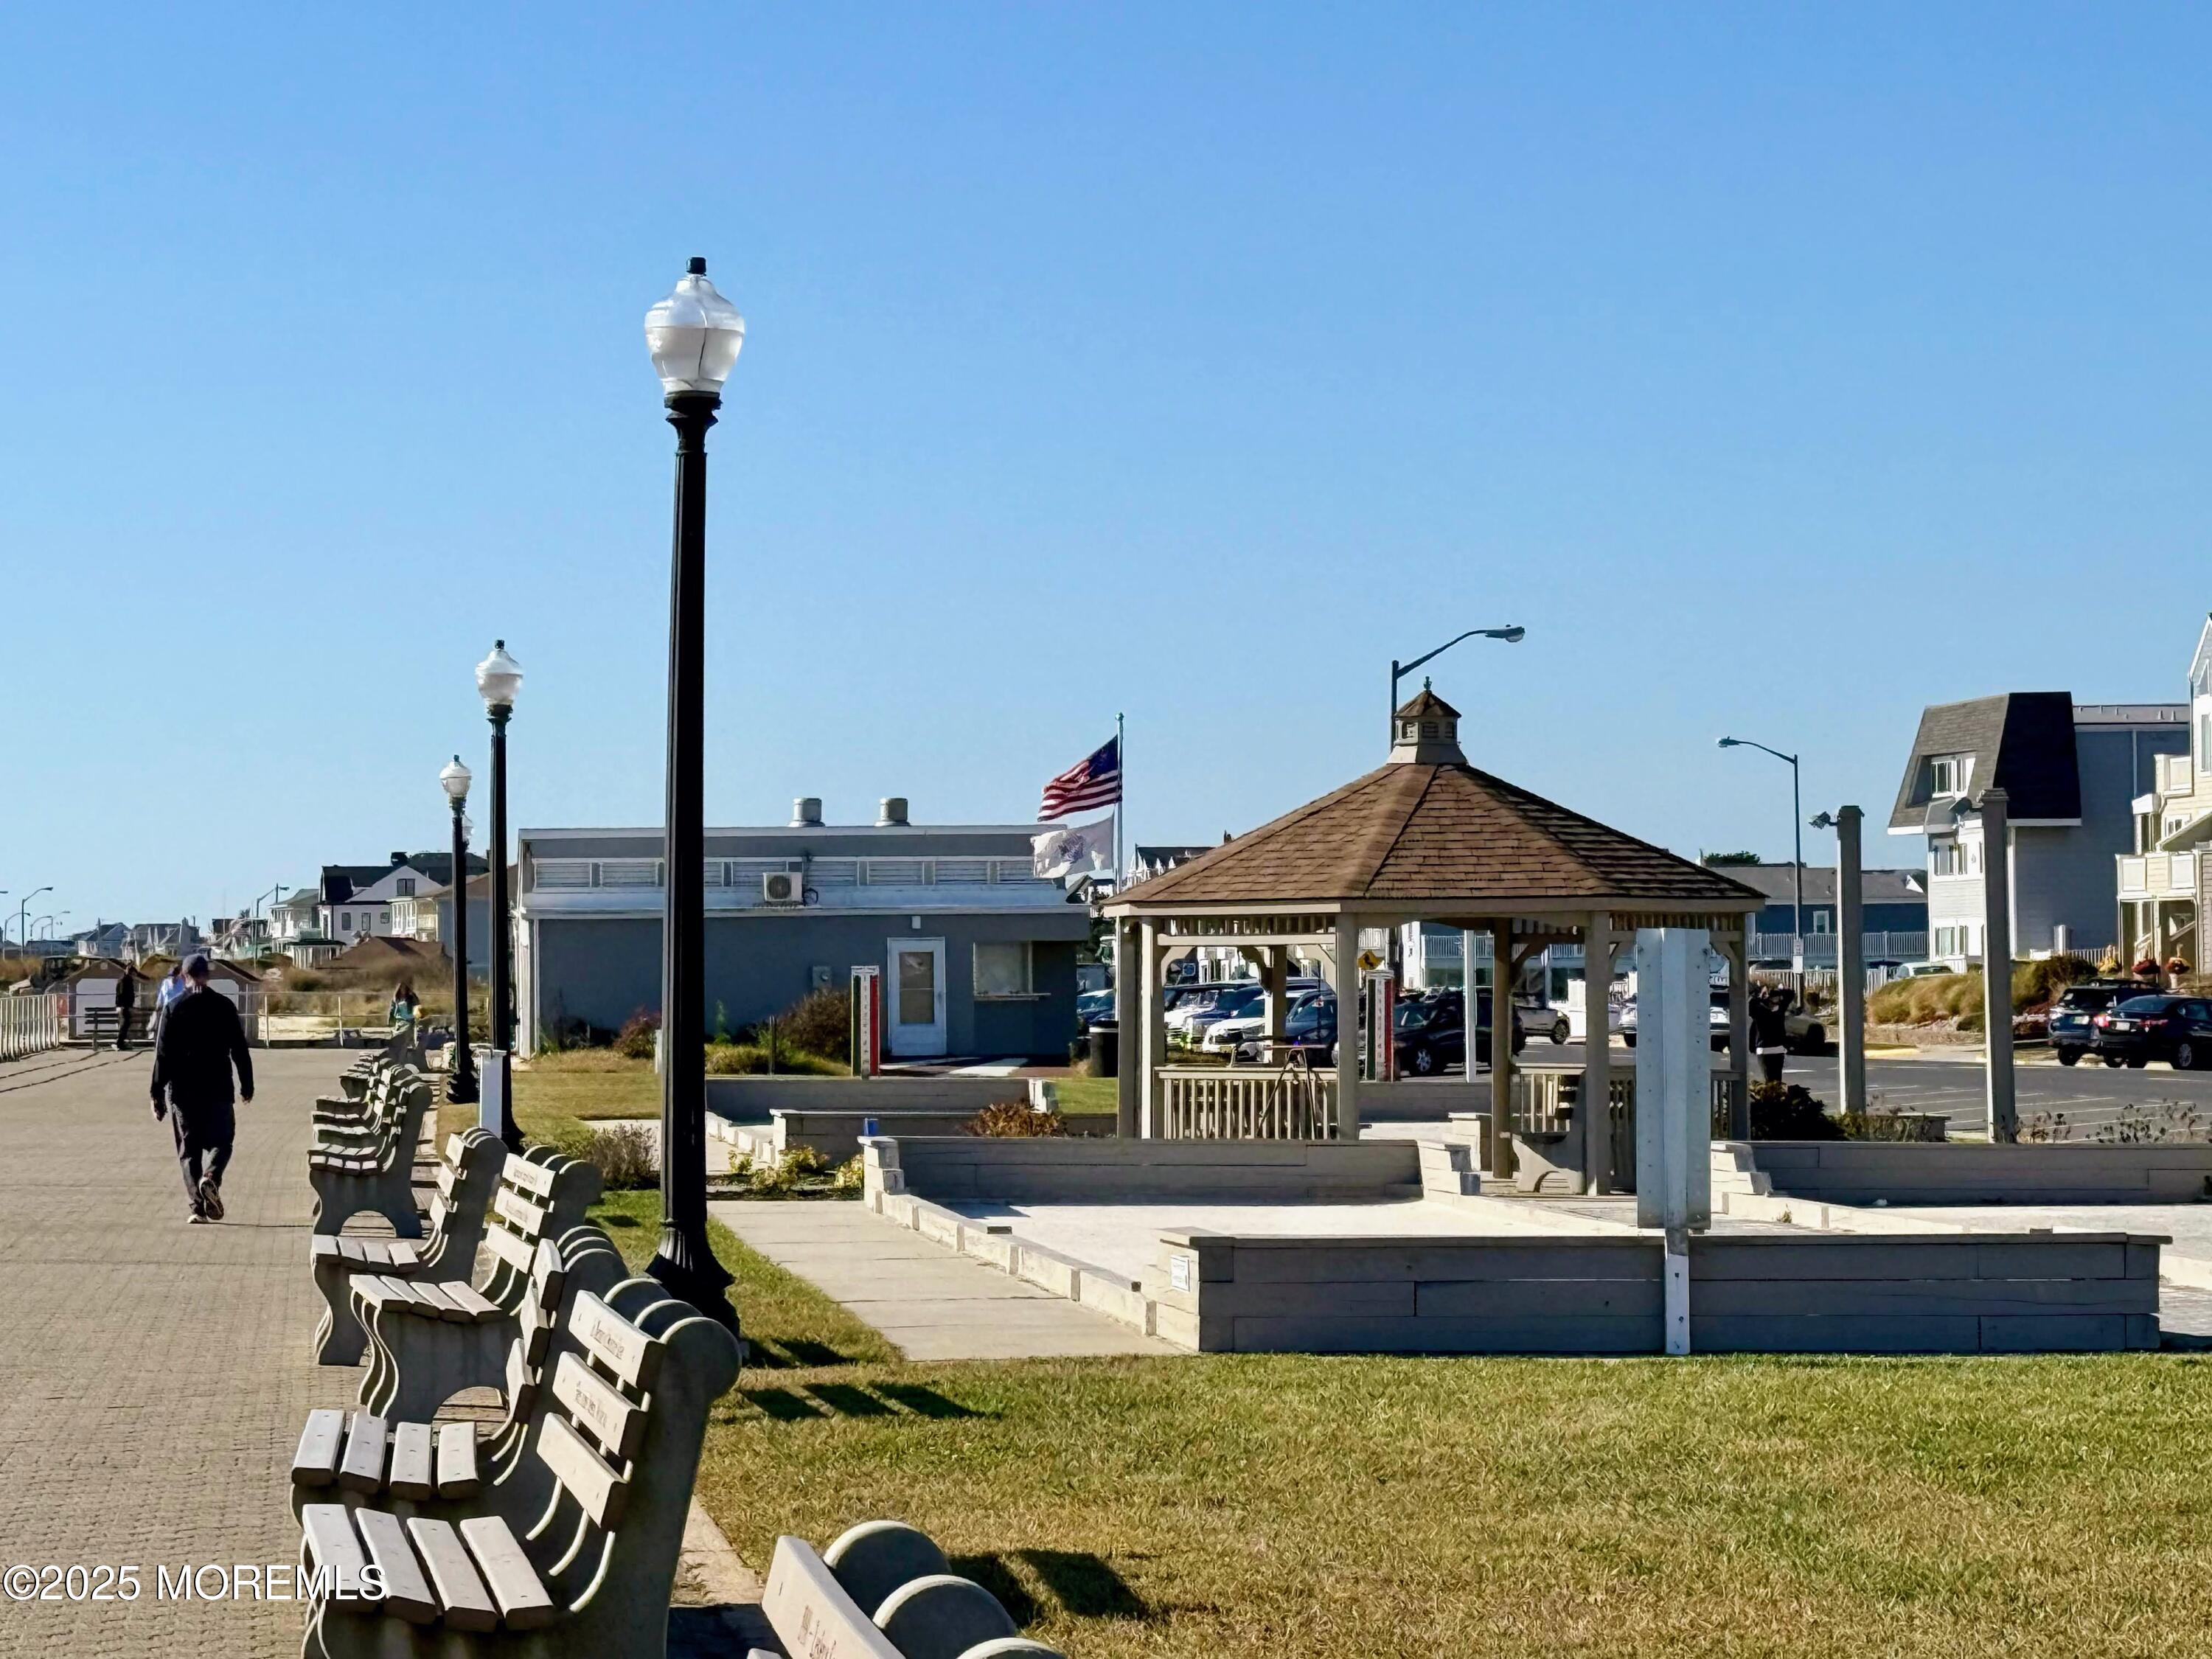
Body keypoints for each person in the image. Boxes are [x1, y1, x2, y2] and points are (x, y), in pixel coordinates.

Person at [150, 955, 254, 1225]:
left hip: (183, 1091)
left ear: (184, 976)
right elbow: (239, 1049)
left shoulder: (174, 1007)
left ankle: (198, 1209)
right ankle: (211, 1177)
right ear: (207, 976)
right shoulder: (224, 1006)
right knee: (223, 1142)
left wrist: (156, 1094)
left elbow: (163, 1054)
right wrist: (247, 1085)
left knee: (189, 1150)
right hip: (218, 1086)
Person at [1750, 987, 1789, 1085]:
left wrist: (1760, 996)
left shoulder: (1759, 1011)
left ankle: (1771, 1098)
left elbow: (1751, 1005)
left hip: (1764, 1049)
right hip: (1778, 1049)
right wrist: (1780, 990)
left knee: (1768, 1081)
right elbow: (1790, 994)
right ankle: (1778, 1098)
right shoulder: (1780, 1011)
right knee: (1777, 1081)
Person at [153, 960, 189, 1046]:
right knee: (165, 1031)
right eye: (171, 976)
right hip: (167, 1010)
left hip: (179, 1011)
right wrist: (158, 1005)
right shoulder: (166, 983)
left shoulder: (182, 983)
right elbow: (162, 996)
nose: (173, 978)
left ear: (178, 975)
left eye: (174, 976)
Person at [389, 979, 420, 1048]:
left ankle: (411, 1049)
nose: (403, 989)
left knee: (407, 1036)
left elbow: (417, 1006)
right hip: (399, 1020)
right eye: (402, 987)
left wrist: (418, 1018)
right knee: (398, 1037)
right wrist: (391, 1020)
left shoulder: (411, 998)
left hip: (409, 1020)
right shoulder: (396, 998)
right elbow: (392, 1009)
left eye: (405, 988)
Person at [111, 970, 137, 1051]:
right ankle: (119, 1043)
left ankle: (121, 1043)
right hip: (124, 1007)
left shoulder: (127, 980)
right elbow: (121, 994)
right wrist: (120, 1005)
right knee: (124, 1025)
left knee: (125, 1025)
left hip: (126, 1006)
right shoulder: (125, 981)